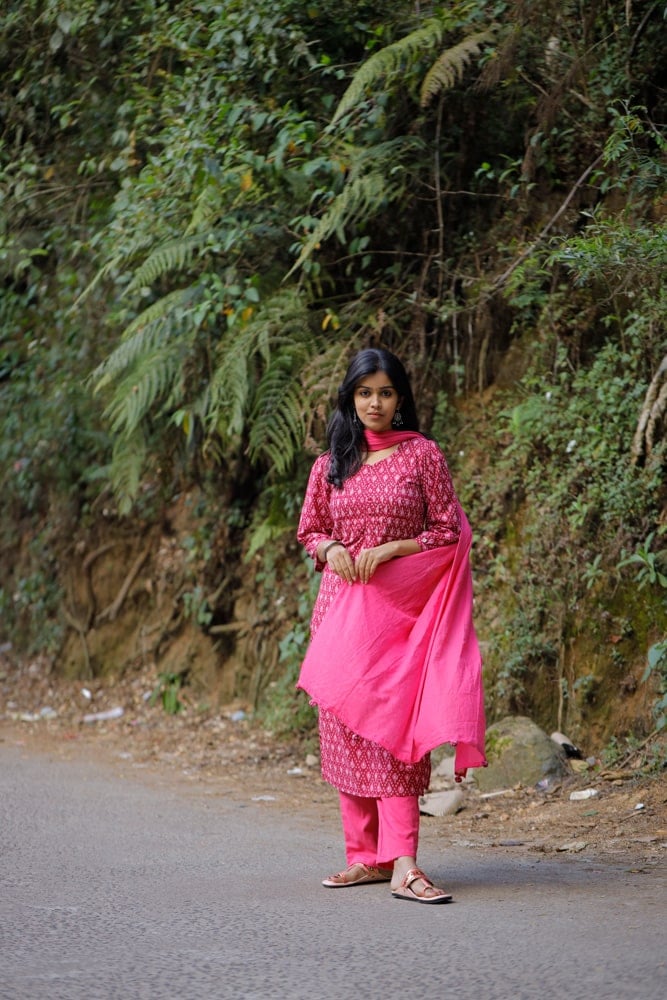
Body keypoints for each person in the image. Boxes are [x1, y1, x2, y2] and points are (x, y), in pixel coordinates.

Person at [296, 347, 486, 905]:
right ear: (350, 399)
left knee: (395, 739)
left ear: (400, 398)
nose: (374, 403)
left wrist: (396, 547)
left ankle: (405, 863)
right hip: (339, 616)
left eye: (384, 392)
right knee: (346, 736)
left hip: (400, 619)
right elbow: (310, 529)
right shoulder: (333, 461)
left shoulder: (422, 456)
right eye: (364, 393)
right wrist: (330, 549)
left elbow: (448, 530)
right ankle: (366, 859)